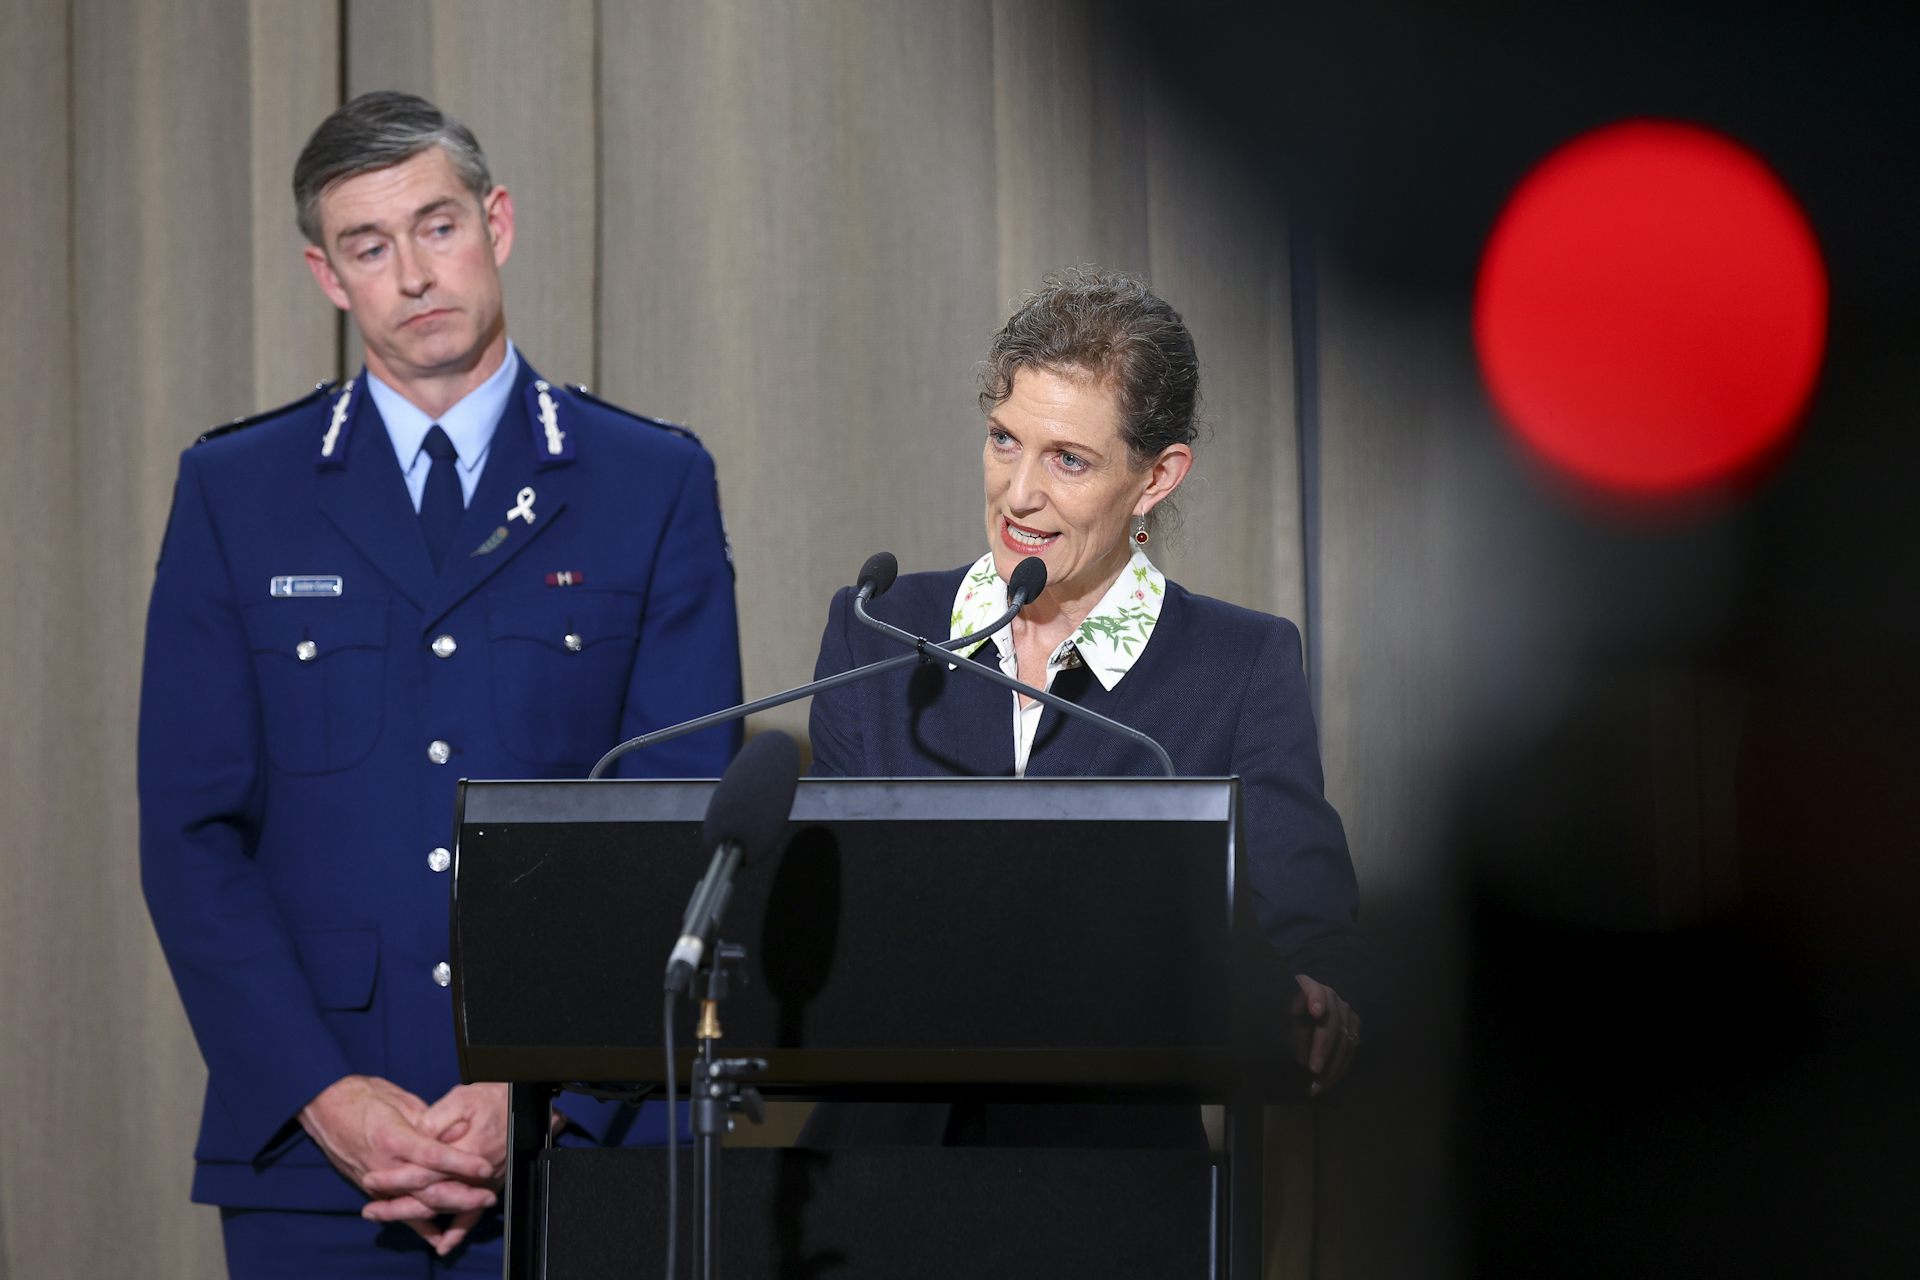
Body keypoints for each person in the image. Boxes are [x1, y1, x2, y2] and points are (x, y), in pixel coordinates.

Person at [138, 92, 742, 1276]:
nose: (414, 272)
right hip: (318, 1162)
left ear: (497, 222)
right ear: (327, 273)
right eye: (370, 246)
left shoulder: (648, 481)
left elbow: (681, 817)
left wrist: (537, 1081)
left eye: (438, 226)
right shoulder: (236, 491)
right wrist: (323, 1095)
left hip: (589, 1138)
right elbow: (189, 833)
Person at [805, 270, 1367, 1143]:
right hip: (878, 1175)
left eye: (1068, 460)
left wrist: (1318, 1004)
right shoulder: (880, 633)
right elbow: (824, 919)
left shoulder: (1237, 664)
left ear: (1156, 477)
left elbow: (1307, 942)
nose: (1019, 494)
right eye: (1003, 440)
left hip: (1116, 1189)